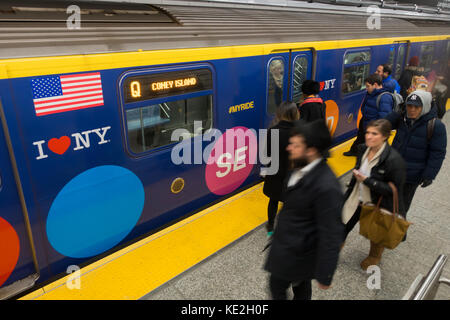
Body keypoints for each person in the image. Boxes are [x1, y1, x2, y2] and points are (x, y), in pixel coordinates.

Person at [264, 119, 344, 300]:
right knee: (297, 285)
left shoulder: (327, 187)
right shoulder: (297, 170)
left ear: (311, 150)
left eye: (295, 145)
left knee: (278, 287)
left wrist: (325, 274)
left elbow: (331, 233)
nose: (288, 148)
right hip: (288, 247)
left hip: (298, 253)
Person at [341, 119, 406, 270]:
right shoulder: (362, 149)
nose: (369, 136)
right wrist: (346, 196)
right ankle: (331, 254)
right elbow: (355, 178)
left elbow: (393, 189)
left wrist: (368, 181)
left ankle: (374, 256)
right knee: (341, 226)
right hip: (356, 198)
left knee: (376, 234)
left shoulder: (394, 160)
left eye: (374, 134)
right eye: (368, 133)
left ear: (385, 137)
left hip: (376, 203)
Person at [385, 90, 447, 218]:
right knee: (386, 203)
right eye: (409, 105)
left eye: (416, 107)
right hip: (392, 169)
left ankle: (397, 234)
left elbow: (438, 153)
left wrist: (429, 175)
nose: (412, 109)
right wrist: (398, 111)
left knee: (401, 208)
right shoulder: (402, 118)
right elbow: (384, 125)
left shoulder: (436, 126)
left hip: (411, 176)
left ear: (424, 107)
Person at [262, 101, 299, 235]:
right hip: (292, 172)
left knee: (273, 199)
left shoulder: (273, 131)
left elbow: (267, 153)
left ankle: (271, 227)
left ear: (280, 113)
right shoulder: (299, 131)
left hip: (275, 171)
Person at [343, 74, 394, 156]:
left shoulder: (385, 97)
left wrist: (376, 128)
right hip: (365, 122)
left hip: (373, 126)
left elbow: (384, 117)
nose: (366, 88)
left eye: (368, 86)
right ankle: (354, 151)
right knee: (360, 138)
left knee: (369, 146)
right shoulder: (370, 93)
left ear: (376, 85)